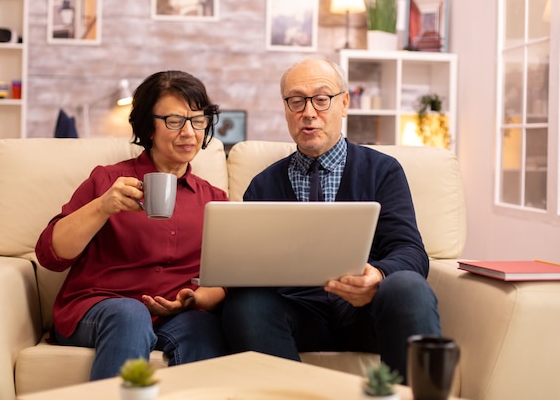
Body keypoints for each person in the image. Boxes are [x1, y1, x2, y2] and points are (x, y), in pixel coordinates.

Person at [221, 58, 441, 382]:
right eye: (296, 100)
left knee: (408, 285)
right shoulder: (262, 186)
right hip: (296, 316)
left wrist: (377, 277)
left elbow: (411, 252)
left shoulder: (384, 171)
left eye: (321, 99)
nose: (308, 112)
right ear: (285, 108)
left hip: (367, 313)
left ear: (344, 102)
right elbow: (248, 268)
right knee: (245, 305)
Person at [35, 70, 228, 380]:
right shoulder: (108, 181)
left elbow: (226, 278)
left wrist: (195, 299)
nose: (189, 133)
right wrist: (102, 207)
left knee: (204, 326)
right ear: (148, 127)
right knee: (130, 313)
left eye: (198, 120)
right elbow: (50, 256)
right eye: (174, 121)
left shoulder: (215, 199)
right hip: (100, 308)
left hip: (175, 316)